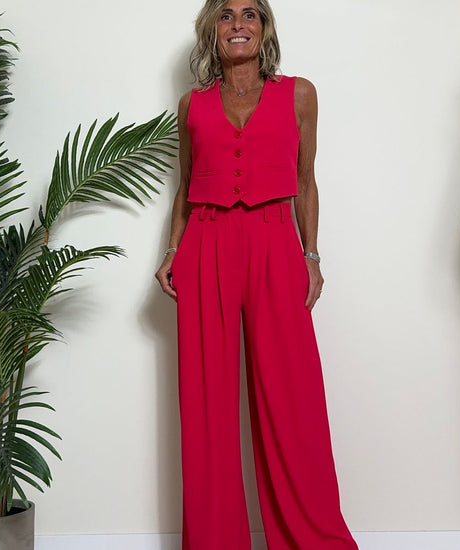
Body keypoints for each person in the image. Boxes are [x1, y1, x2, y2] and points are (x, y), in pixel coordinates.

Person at [155, 1, 359, 548]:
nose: (238, 24)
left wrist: (311, 256)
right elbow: (186, 184)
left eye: (250, 14)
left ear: (264, 27)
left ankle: (311, 539)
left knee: (292, 398)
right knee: (206, 406)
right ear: (212, 30)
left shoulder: (299, 94)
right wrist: (172, 250)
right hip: (206, 244)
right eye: (226, 15)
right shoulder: (191, 104)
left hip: (275, 243)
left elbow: (306, 180)